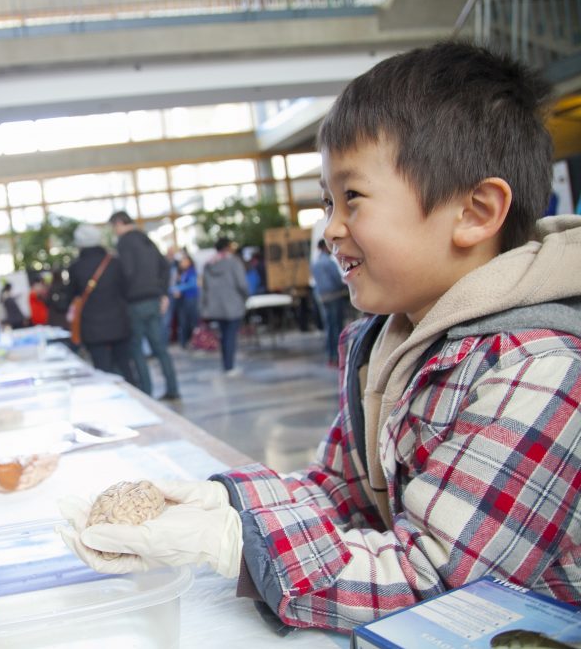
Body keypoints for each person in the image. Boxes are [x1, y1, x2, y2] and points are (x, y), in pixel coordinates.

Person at [61, 41, 581, 633]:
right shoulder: (391, 342)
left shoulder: (539, 370)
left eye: (351, 198)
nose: (329, 228)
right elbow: (341, 491)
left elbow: (438, 585)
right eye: (327, 201)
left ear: (474, 211)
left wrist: (240, 545)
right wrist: (227, 506)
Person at [108, 211, 181, 401]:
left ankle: (146, 392)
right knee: (160, 348)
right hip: (154, 301)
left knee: (136, 349)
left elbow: (126, 272)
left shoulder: (124, 243)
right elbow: (164, 266)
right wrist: (163, 293)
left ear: (119, 223)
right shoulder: (145, 239)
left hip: (134, 303)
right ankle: (172, 388)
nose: (114, 232)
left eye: (114, 227)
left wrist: (120, 295)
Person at [68, 224, 135, 383]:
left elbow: (72, 295)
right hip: (118, 322)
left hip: (92, 327)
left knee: (102, 371)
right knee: (125, 366)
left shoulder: (76, 267)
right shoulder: (114, 263)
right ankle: (136, 401)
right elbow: (126, 290)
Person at [199, 238, 249, 374]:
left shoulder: (208, 264)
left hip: (216, 306)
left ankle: (226, 364)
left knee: (224, 335)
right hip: (233, 304)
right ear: (227, 247)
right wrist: (246, 297)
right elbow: (242, 284)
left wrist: (204, 306)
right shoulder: (233, 262)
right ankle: (230, 366)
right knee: (231, 335)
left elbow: (205, 288)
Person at [310, 238, 348, 367]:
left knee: (329, 327)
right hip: (334, 296)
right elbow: (337, 280)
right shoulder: (329, 262)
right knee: (337, 326)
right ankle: (337, 356)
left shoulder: (315, 263)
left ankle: (330, 356)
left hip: (322, 298)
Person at [169, 250, 199, 348]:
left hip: (191, 298)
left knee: (191, 321)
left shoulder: (191, 272)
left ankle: (194, 341)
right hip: (183, 299)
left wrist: (177, 288)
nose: (182, 263)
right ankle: (184, 341)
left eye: (184, 261)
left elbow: (192, 284)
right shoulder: (182, 272)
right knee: (183, 321)